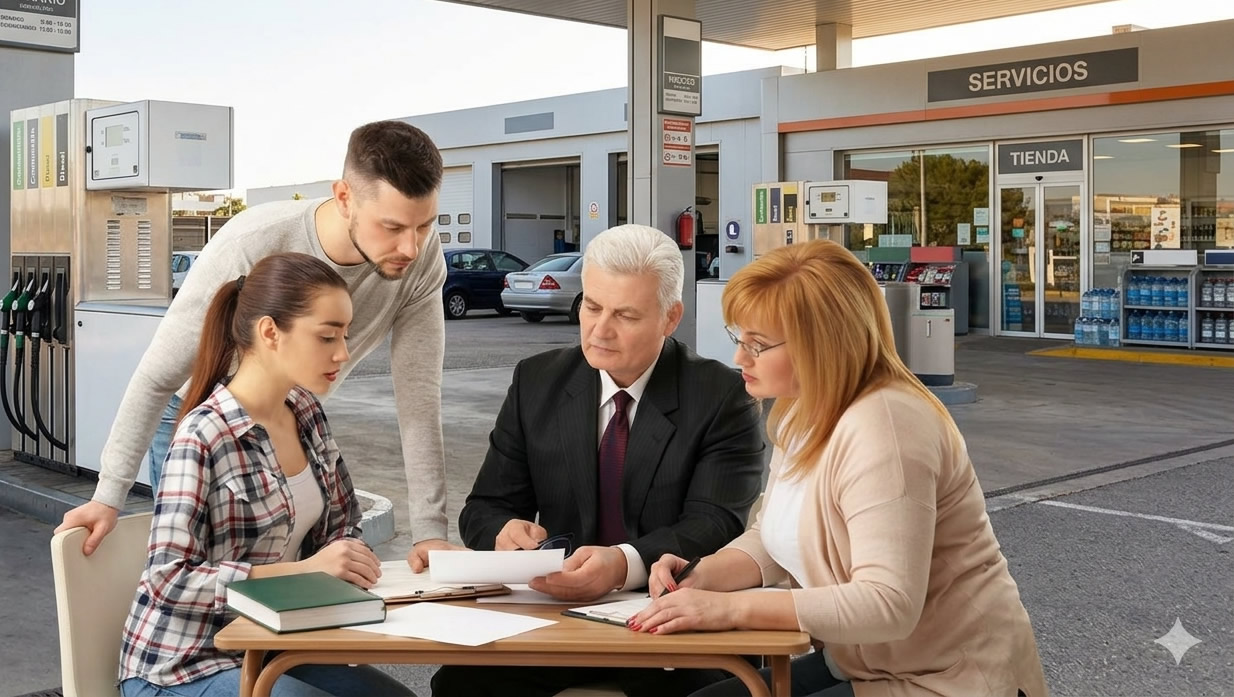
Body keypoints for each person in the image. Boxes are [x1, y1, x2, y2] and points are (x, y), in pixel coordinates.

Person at [628, 239, 1048, 697]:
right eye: (738, 338)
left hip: (950, 677)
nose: (739, 358)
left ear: (823, 345)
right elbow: (776, 536)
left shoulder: (885, 425)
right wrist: (703, 575)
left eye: (758, 344)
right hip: (864, 662)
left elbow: (888, 602)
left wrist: (727, 610)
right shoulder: (802, 409)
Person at [55, 120, 458, 571]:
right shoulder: (253, 243)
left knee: (297, 571)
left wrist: (430, 533)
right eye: (393, 226)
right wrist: (108, 496)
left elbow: (419, 399)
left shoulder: (422, 259)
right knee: (211, 581)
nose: (411, 246)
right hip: (201, 415)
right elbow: (157, 377)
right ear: (344, 197)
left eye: (425, 225)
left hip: (293, 418)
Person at [431, 224, 766, 697]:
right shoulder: (537, 381)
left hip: (673, 620)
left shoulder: (721, 396)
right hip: (553, 620)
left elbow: (716, 523)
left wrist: (625, 563)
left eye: (625, 315)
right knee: (459, 685)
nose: (600, 330)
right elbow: (484, 507)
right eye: (592, 306)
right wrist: (503, 533)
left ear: (671, 318)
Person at [117, 253, 413, 697]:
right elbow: (168, 580)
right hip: (183, 664)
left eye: (346, 336)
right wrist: (305, 572)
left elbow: (342, 525)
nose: (343, 353)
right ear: (271, 332)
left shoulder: (306, 411)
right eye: (327, 336)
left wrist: (346, 557)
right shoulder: (204, 435)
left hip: (275, 645)